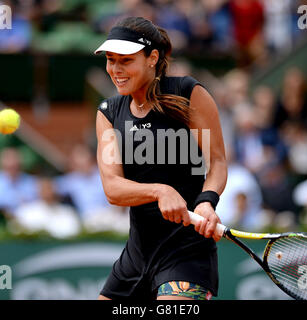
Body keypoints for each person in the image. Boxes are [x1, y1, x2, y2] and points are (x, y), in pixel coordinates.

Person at [93, 16, 227, 301]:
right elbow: (113, 188)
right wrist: (159, 191)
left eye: (125, 61)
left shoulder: (188, 93)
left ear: (152, 57)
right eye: (110, 60)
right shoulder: (108, 112)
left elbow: (217, 162)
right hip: (135, 258)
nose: (115, 70)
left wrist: (207, 201)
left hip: (186, 253)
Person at [14, 177, 81, 239]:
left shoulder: (68, 212)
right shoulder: (25, 212)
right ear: (38, 191)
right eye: (44, 189)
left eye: (50, 188)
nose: (48, 192)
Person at [0, 147, 38, 217]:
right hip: (3, 218)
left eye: (15, 166)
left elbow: (37, 200)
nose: (12, 167)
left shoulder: (30, 180)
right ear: (1, 165)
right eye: (9, 167)